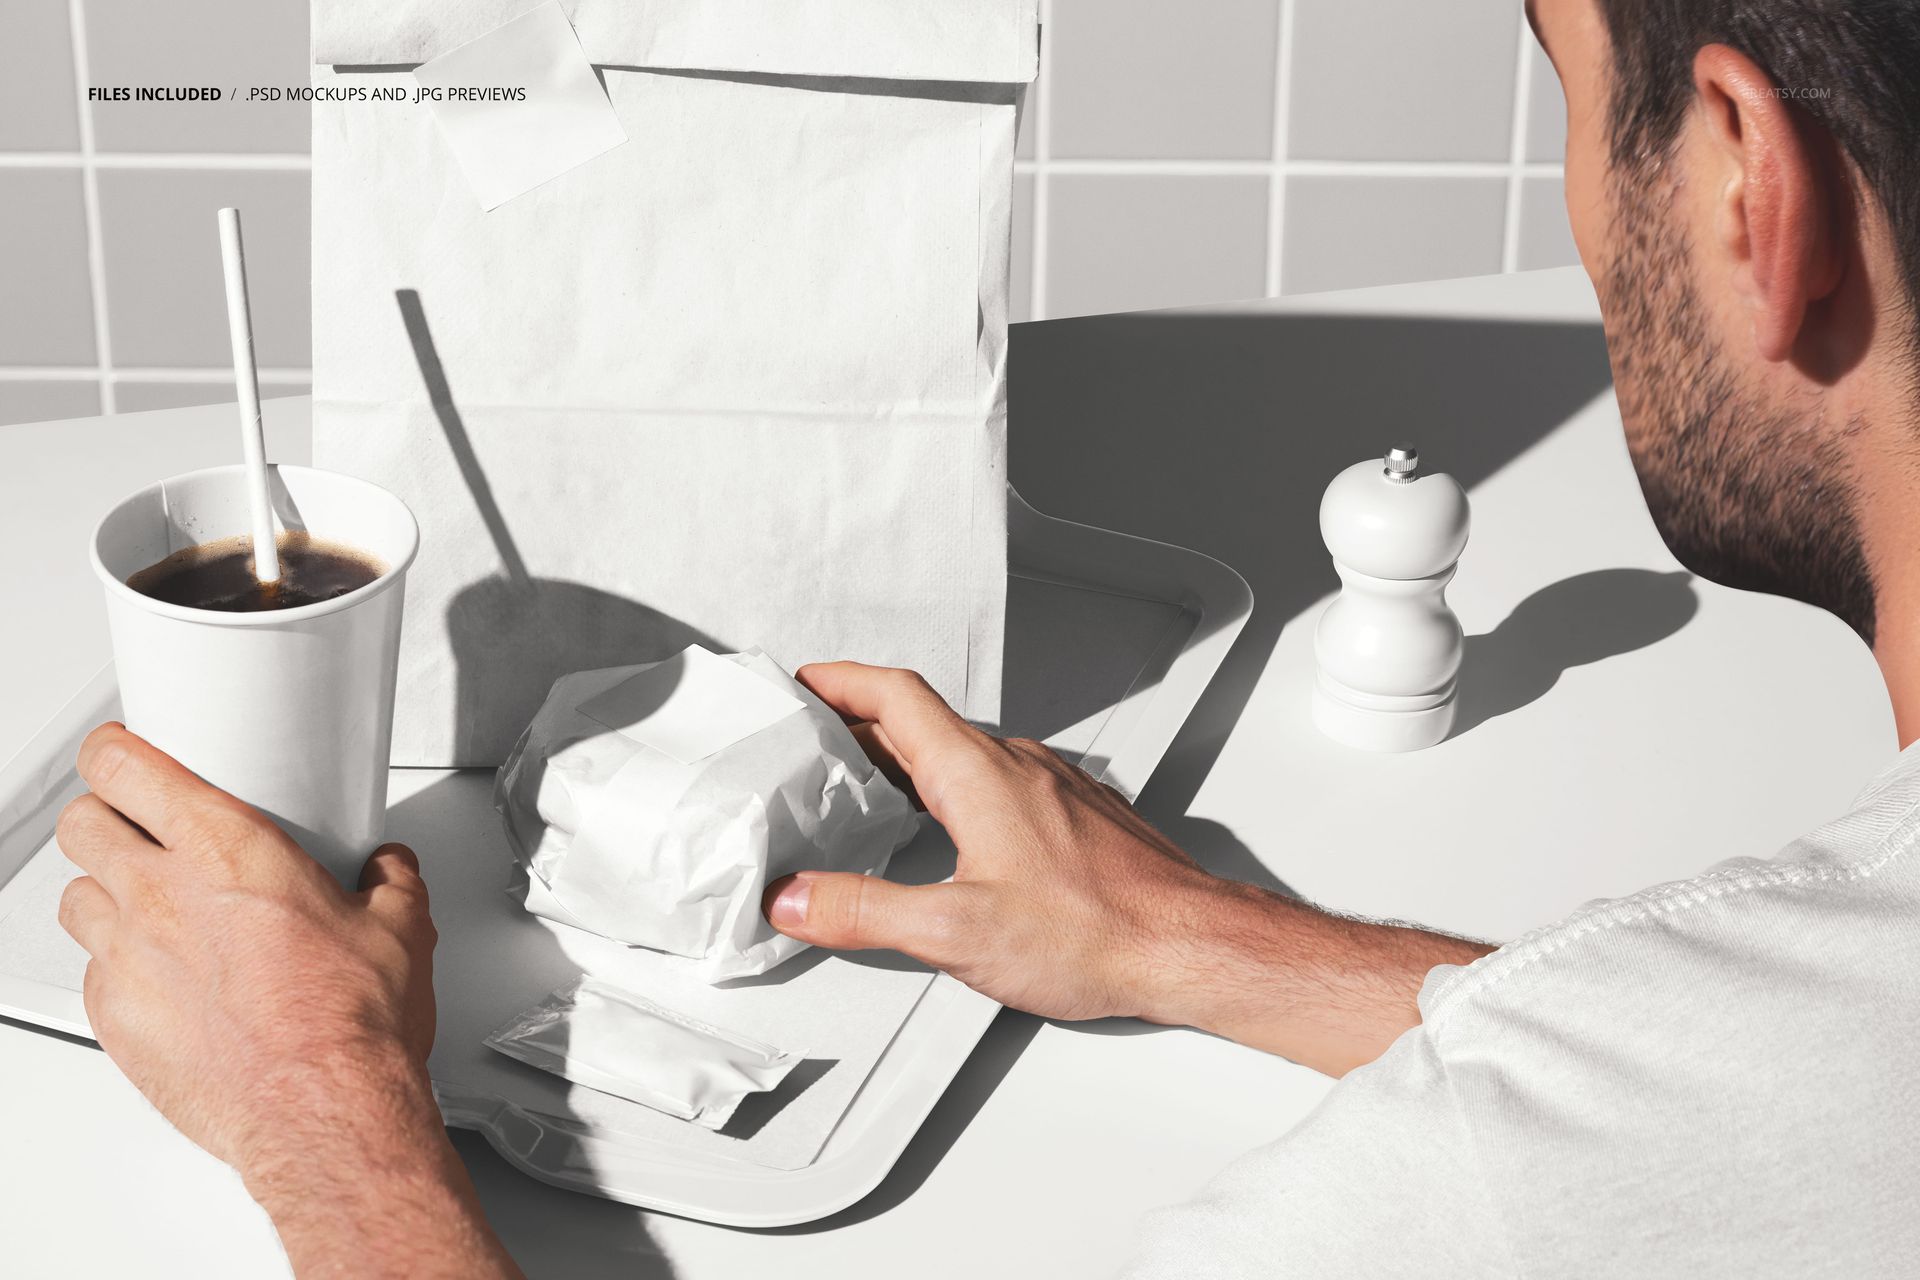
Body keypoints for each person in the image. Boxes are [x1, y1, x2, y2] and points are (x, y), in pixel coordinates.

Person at [51, 0, 1920, 1272]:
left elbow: (1659, 1109)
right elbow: (1737, 1065)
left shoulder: (1466, 1206)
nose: (1589, 218)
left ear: (1754, 177)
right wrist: (1212, 944)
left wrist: (315, 1099)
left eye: (1585, 107)